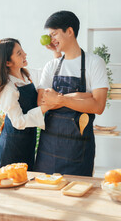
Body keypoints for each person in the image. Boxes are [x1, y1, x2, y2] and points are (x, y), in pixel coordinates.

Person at [34, 11, 109, 176]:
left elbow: (98, 106)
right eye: (49, 35)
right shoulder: (51, 66)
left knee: (78, 196)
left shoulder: (94, 63)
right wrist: (80, 97)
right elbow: (42, 103)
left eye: (54, 34)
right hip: (48, 148)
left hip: (78, 150)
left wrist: (59, 99)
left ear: (69, 31)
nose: (51, 39)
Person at [0, 38, 52, 170]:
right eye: (19, 53)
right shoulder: (8, 88)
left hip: (26, 144)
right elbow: (18, 122)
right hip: (10, 150)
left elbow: (48, 73)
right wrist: (44, 108)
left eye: (22, 51)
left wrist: (55, 51)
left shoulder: (27, 75)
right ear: (7, 62)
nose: (25, 54)